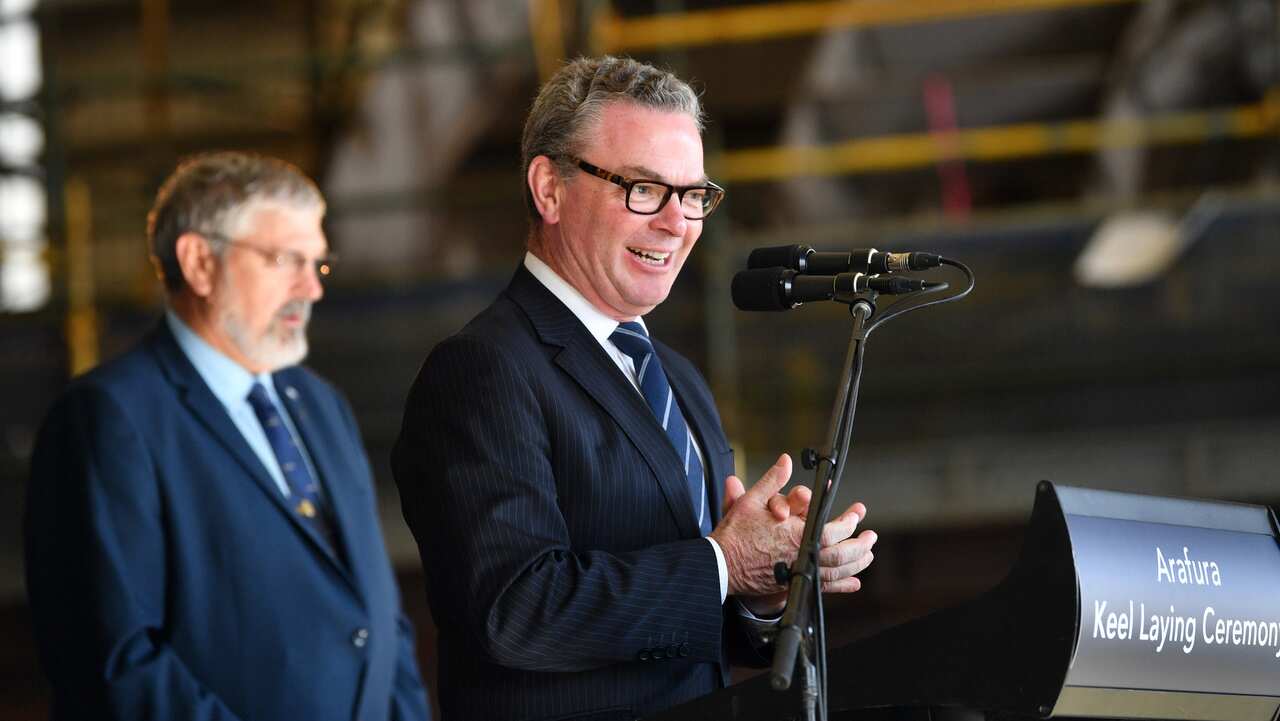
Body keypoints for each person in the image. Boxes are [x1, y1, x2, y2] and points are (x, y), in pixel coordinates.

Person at [392, 56, 877, 721]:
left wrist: (772, 582)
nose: (677, 223)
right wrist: (721, 563)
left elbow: (696, 629)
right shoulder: (483, 370)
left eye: (694, 194)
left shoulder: (677, 379)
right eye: (644, 189)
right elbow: (514, 610)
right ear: (549, 189)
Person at [24, 152, 432, 721]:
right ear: (198, 262)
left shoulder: (320, 404)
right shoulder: (109, 420)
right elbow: (118, 662)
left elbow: (378, 613)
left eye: (317, 263)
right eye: (285, 259)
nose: (311, 289)